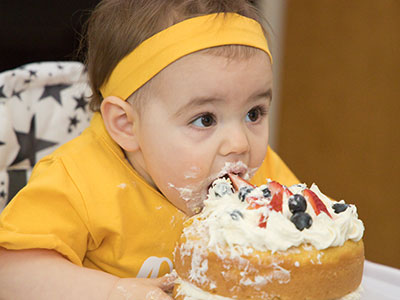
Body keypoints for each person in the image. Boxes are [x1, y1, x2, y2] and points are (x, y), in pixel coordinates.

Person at [0, 0, 299, 299]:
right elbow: (11, 273)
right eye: (205, 119)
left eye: (254, 114)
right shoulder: (78, 180)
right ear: (127, 125)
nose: (240, 143)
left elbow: (311, 240)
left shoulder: (259, 175)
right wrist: (113, 291)